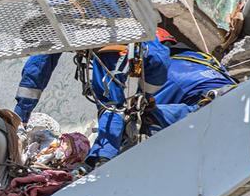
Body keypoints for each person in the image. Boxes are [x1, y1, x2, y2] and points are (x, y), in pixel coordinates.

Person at [13, 28, 235, 165]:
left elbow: (113, 106)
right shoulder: (197, 58)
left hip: (202, 105)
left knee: (136, 120)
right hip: (226, 89)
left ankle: (102, 158)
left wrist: (21, 114)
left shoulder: (116, 47)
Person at [13, 31, 169, 165]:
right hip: (113, 38)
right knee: (110, 103)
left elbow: (35, 74)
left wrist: (20, 117)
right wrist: (144, 97)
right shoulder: (149, 41)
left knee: (110, 104)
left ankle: (103, 156)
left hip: (107, 36)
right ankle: (103, 157)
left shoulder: (59, 19)